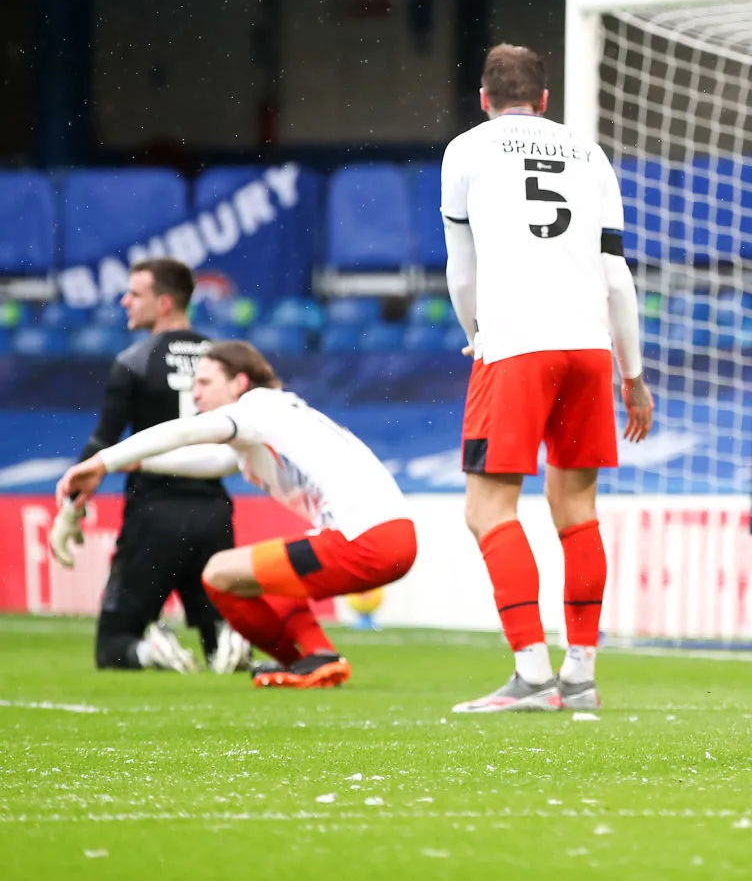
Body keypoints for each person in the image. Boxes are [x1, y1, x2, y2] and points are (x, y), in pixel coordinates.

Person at [441, 43, 652, 714]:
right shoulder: (589, 155)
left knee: (487, 510)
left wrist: (476, 336)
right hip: (588, 347)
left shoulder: (467, 151)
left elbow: (461, 270)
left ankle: (532, 674)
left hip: (516, 346)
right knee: (577, 511)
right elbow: (618, 276)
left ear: (484, 99)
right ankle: (581, 674)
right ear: (544, 100)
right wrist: (633, 373)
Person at [56, 341, 416, 689]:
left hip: (364, 539)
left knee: (219, 575)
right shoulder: (276, 416)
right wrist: (134, 463)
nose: (196, 394)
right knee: (262, 571)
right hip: (395, 537)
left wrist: (103, 460)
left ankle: (303, 661)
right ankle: (318, 658)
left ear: (239, 383)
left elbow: (185, 433)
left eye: (205, 382)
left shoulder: (255, 410)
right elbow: (215, 460)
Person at [70, 258, 242, 675]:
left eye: (136, 294)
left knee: (113, 646)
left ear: (164, 303)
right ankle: (230, 643)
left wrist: (71, 499)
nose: (125, 301)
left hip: (155, 512)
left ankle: (153, 651)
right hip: (213, 512)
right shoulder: (221, 360)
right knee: (218, 634)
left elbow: (103, 442)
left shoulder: (134, 361)